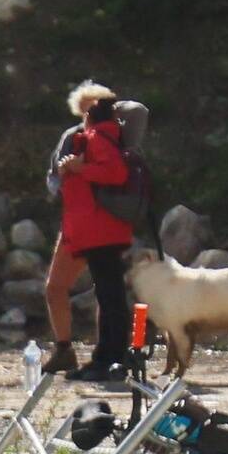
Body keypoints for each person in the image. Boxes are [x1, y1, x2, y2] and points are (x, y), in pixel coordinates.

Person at [42, 79, 149, 374]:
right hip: (86, 224)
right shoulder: (110, 136)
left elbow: (62, 182)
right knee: (101, 289)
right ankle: (90, 352)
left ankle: (103, 355)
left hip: (91, 224)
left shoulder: (104, 137)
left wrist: (76, 170)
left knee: (101, 290)